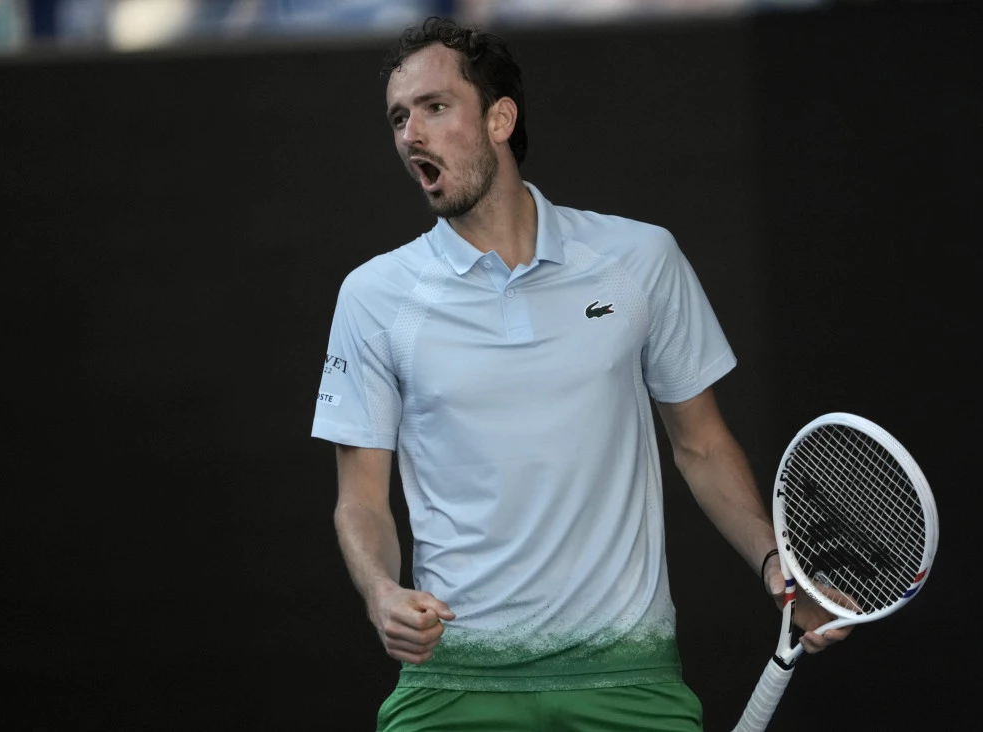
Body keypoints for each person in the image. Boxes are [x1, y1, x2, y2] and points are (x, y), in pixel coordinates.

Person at [312, 15, 850, 731]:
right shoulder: (373, 297)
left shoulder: (641, 260)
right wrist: (381, 590)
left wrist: (774, 567)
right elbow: (360, 501)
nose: (412, 133)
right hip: (453, 684)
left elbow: (701, 445)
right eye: (398, 117)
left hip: (628, 679)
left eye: (435, 107)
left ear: (499, 119)